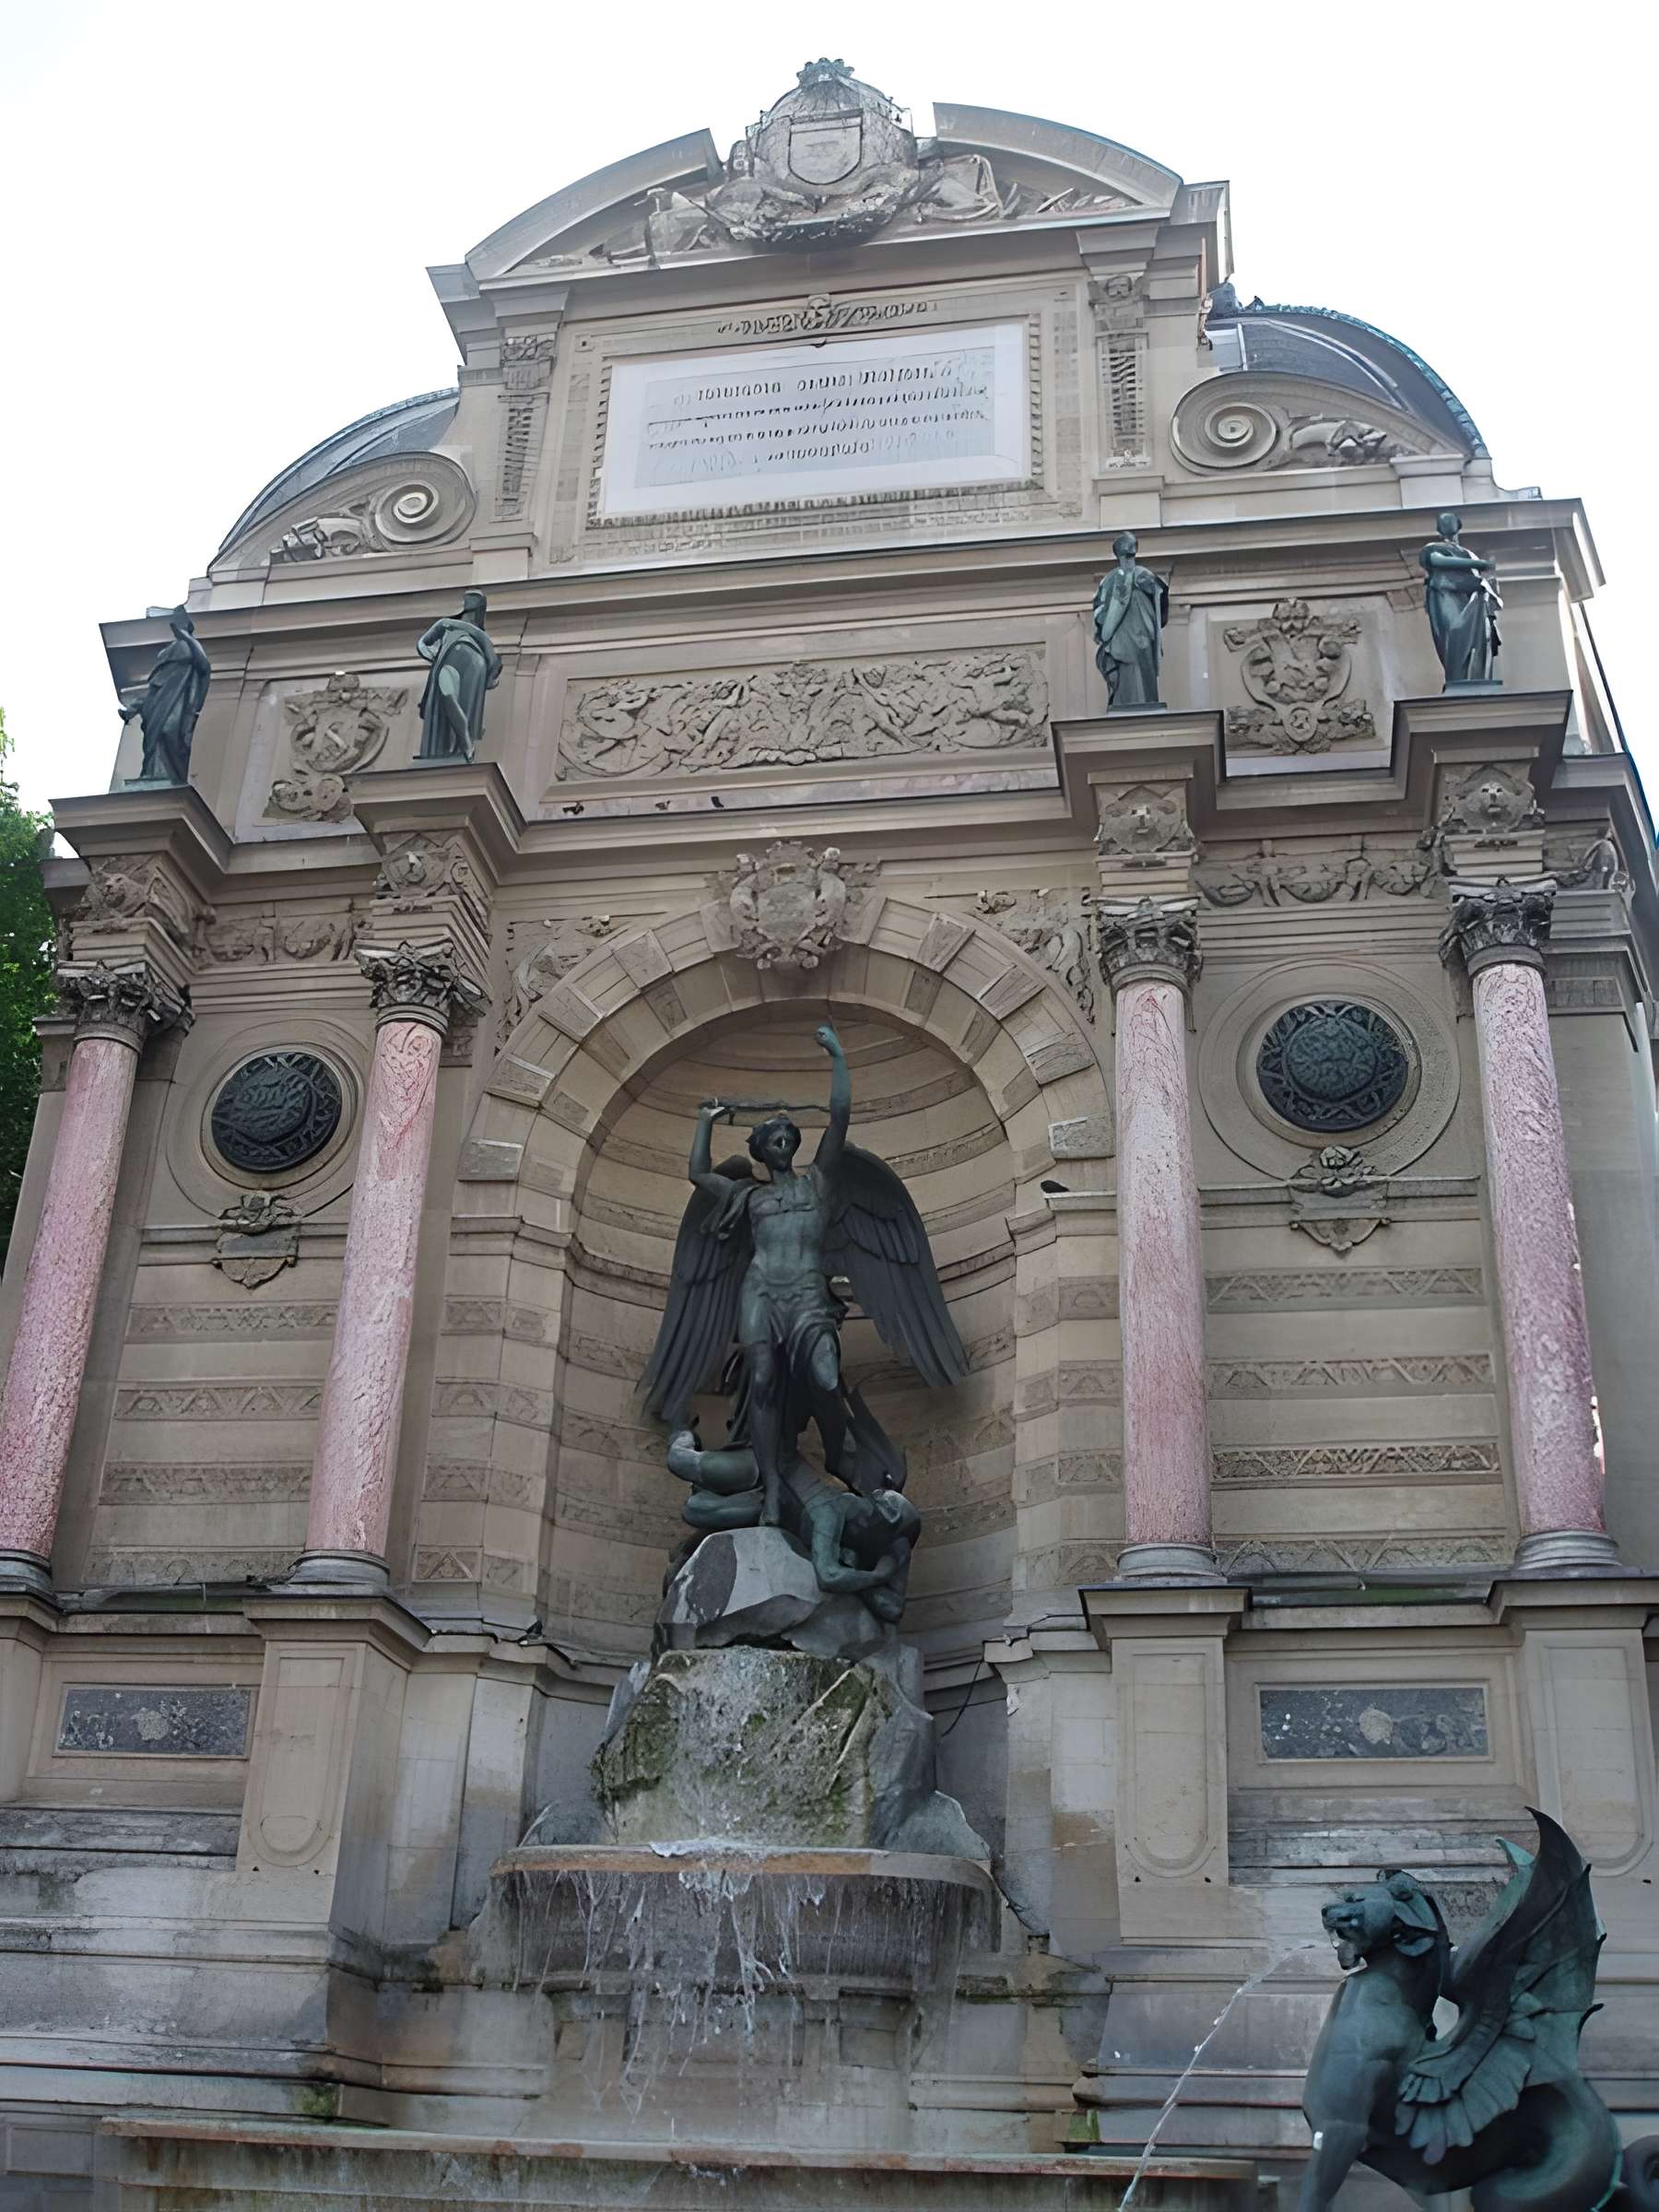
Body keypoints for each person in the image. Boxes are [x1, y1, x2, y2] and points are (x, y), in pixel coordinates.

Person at [119, 606, 210, 783]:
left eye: (180, 622)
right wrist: (135, 708)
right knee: (156, 738)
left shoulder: (190, 646)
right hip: (160, 699)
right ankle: (154, 775)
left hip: (178, 698)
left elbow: (204, 667)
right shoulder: (168, 652)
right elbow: (154, 685)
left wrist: (186, 637)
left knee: (169, 731)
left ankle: (170, 776)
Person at [415, 590, 501, 759]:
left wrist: (490, 676)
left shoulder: (479, 634)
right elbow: (422, 643)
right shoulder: (445, 623)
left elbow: (492, 656)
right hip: (449, 663)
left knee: (464, 705)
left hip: (474, 666)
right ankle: (467, 744)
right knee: (448, 695)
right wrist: (432, 654)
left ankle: (461, 747)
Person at [1420, 513, 1500, 687]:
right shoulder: (1432, 548)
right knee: (1454, 633)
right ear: (1438, 528)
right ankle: (1457, 679)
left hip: (1472, 597)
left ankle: (1474, 679)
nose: (1445, 523)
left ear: (1458, 525)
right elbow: (1437, 561)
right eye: (1442, 521)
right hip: (1446, 594)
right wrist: (1481, 564)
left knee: (1477, 640)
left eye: (1449, 520)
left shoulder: (1468, 553)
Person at [1092, 532, 1170, 707]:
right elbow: (1101, 609)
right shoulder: (1110, 579)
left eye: (1131, 552)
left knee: (1142, 667)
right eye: (1126, 552)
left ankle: (1142, 703)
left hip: (1140, 632)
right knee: (1127, 670)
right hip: (1123, 636)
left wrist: (1151, 588)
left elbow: (1159, 596)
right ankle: (1128, 703)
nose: (1129, 557)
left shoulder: (1143, 575)